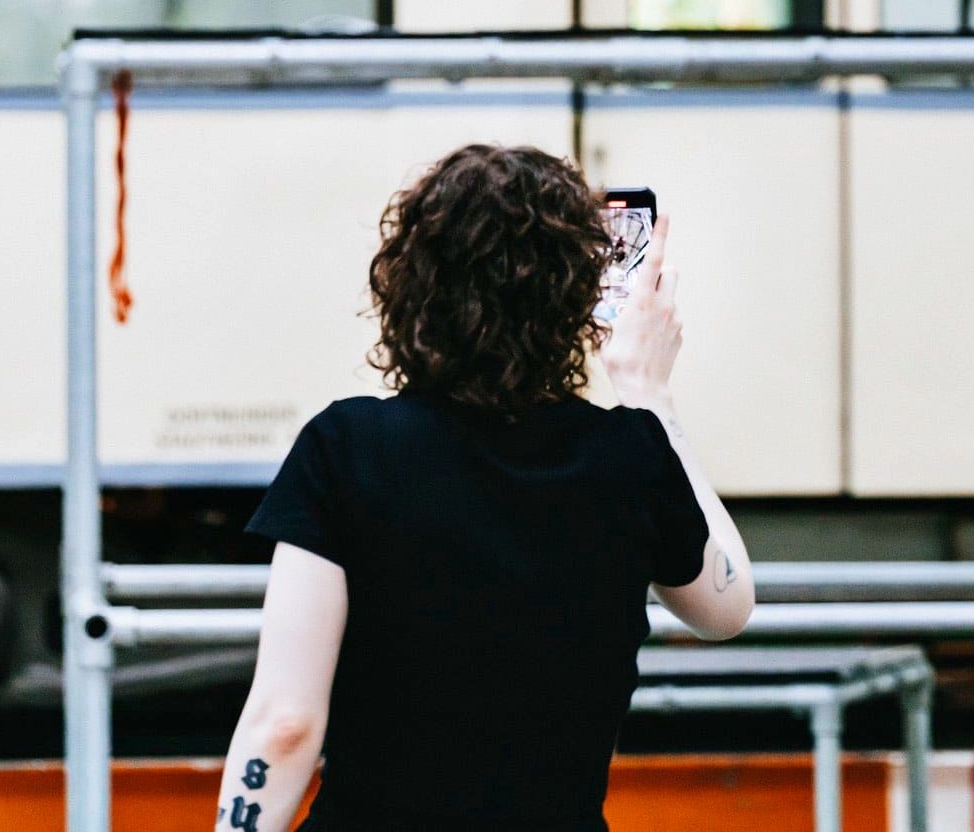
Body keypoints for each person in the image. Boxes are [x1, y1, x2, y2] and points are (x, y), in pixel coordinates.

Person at [211, 145, 751, 832]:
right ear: (578, 297)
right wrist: (649, 393)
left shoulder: (347, 449)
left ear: (410, 284)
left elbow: (285, 725)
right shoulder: (628, 457)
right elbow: (727, 608)